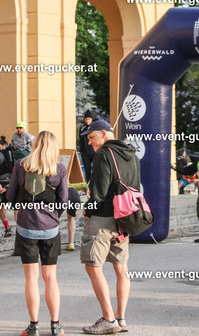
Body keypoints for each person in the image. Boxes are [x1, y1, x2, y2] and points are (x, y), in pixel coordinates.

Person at [6, 131, 68, 336]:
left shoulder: (21, 165)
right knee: (50, 278)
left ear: (34, 145)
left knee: (31, 279)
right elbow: (63, 201)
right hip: (50, 229)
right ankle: (56, 325)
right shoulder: (59, 169)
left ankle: (33, 326)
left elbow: (10, 196)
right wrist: (54, 217)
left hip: (26, 227)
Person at [80, 119, 139, 334]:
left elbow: (98, 193)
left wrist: (87, 212)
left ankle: (108, 319)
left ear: (104, 133)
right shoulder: (132, 155)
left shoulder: (104, 155)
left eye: (92, 137)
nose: (90, 143)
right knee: (121, 268)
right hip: (124, 219)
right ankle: (120, 318)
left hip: (103, 218)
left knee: (93, 266)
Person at [0, 136, 14, 237]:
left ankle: (7, 228)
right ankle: (20, 229)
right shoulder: (14, 153)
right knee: (17, 207)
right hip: (15, 182)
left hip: (4, 183)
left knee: (1, 205)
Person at [79, 110, 96, 181]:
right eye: (86, 119)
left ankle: (95, 182)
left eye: (88, 119)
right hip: (85, 153)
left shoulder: (94, 127)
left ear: (91, 119)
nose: (87, 121)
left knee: (96, 169)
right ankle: (88, 183)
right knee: (87, 170)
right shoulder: (82, 128)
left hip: (94, 151)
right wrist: (81, 150)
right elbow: (80, 140)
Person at [66, 187, 82, 251]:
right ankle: (71, 243)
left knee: (54, 216)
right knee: (71, 217)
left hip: (61, 192)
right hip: (74, 193)